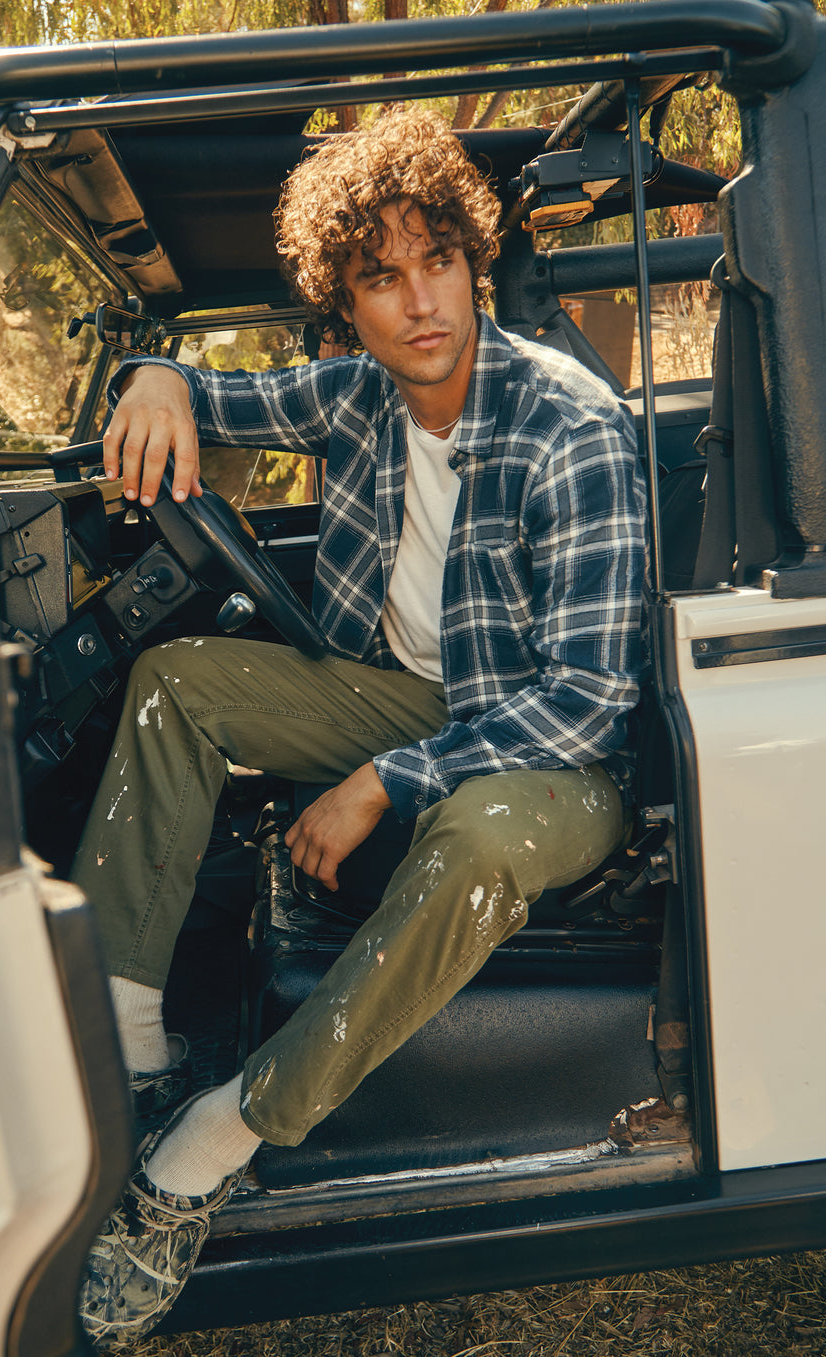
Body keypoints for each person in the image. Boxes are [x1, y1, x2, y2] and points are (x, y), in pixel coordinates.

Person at [75, 105, 646, 1344]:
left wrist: (390, 776)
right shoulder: (356, 397)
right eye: (380, 276)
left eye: (437, 257)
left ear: (472, 258)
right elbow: (211, 395)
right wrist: (155, 376)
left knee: (480, 841)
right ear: (348, 304)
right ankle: (127, 1044)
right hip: (405, 697)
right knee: (175, 679)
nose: (420, 300)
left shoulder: (570, 422)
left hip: (553, 756)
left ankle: (220, 1133)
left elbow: (594, 696)